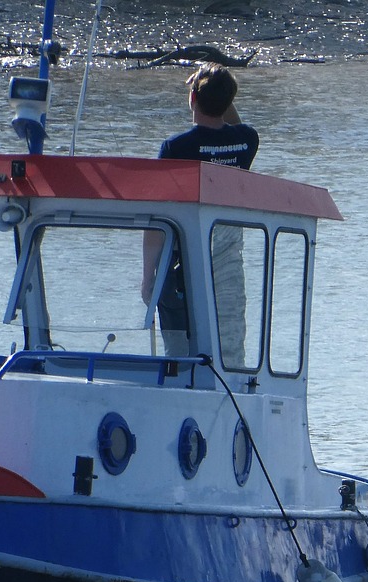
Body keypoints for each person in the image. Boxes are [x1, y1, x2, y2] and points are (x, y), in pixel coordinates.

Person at [141, 63, 258, 361]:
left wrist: (148, 276)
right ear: (228, 100)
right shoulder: (247, 141)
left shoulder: (175, 148)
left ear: (193, 98)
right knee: (227, 350)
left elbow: (158, 215)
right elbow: (234, 125)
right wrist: (219, 90)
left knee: (178, 351)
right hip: (227, 263)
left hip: (180, 262)